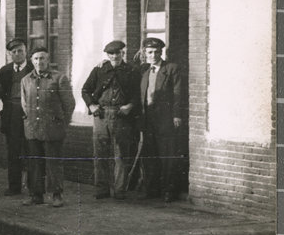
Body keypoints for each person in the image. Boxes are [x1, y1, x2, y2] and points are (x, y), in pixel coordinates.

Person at [81, 40, 140, 200]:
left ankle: (120, 190)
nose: (114, 56)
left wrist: (130, 105)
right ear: (107, 55)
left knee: (120, 154)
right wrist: (92, 105)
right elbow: (85, 90)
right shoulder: (100, 70)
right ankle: (102, 189)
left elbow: (137, 94)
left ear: (123, 53)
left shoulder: (131, 71)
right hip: (101, 114)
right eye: (111, 54)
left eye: (118, 53)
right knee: (100, 153)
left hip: (121, 115)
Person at [21, 47, 75, 208]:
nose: (39, 62)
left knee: (53, 163)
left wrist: (62, 123)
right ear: (32, 60)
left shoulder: (59, 78)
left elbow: (69, 104)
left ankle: (56, 194)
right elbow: (24, 104)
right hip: (32, 128)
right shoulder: (26, 80)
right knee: (35, 163)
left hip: (53, 129)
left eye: (42, 58)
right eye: (36, 58)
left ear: (48, 60)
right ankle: (36, 195)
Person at [139, 37, 184, 202]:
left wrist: (176, 115)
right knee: (150, 155)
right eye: (150, 52)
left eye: (157, 52)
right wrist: (104, 62)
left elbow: (178, 93)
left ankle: (168, 191)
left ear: (161, 52)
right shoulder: (143, 70)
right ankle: (152, 190)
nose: (153, 55)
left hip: (165, 120)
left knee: (167, 156)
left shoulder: (171, 69)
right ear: (145, 53)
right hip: (148, 119)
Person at [0, 38, 33, 196]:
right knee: (13, 151)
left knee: (32, 149)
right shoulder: (4, 71)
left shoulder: (34, 68)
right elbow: (1, 93)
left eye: (20, 51)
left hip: (30, 114)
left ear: (26, 52)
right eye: (14, 51)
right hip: (12, 113)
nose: (18, 54)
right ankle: (14, 187)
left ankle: (34, 187)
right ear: (10, 54)